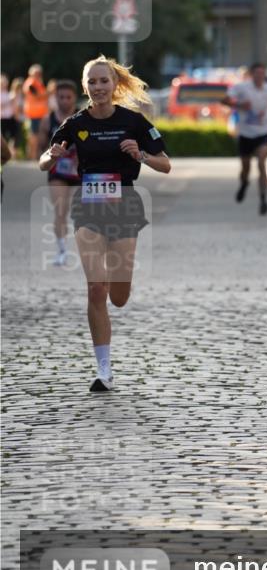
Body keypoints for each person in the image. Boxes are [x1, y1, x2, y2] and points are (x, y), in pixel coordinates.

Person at [39, 56, 170, 391]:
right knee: (97, 288)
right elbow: (43, 160)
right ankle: (103, 371)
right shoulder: (75, 123)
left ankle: (118, 283)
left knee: (120, 296)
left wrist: (140, 155)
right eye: (92, 82)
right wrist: (51, 156)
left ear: (114, 85)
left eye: (104, 81)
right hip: (88, 205)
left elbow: (165, 165)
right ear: (86, 87)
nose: (98, 87)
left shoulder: (134, 122)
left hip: (125, 205)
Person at [222, 63, 267, 215]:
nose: (259, 76)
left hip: (262, 133)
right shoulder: (241, 88)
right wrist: (239, 104)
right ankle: (244, 183)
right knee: (245, 168)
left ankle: (263, 199)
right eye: (256, 74)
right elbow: (225, 100)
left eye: (262, 74)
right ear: (252, 75)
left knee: (262, 163)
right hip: (245, 134)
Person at [38, 80, 80, 266]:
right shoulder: (49, 120)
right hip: (58, 171)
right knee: (60, 211)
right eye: (61, 97)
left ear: (74, 98)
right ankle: (62, 250)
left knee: (85, 212)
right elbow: (41, 147)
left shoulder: (83, 117)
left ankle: (88, 248)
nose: (64, 101)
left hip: (81, 171)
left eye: (68, 97)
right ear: (56, 97)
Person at [23, 64, 49, 160]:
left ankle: (35, 155)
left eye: (39, 73)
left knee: (38, 135)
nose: (38, 75)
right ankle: (32, 156)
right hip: (33, 114)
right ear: (31, 74)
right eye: (36, 73)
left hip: (40, 114)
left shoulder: (39, 83)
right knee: (34, 136)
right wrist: (49, 92)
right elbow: (38, 95)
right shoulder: (31, 84)